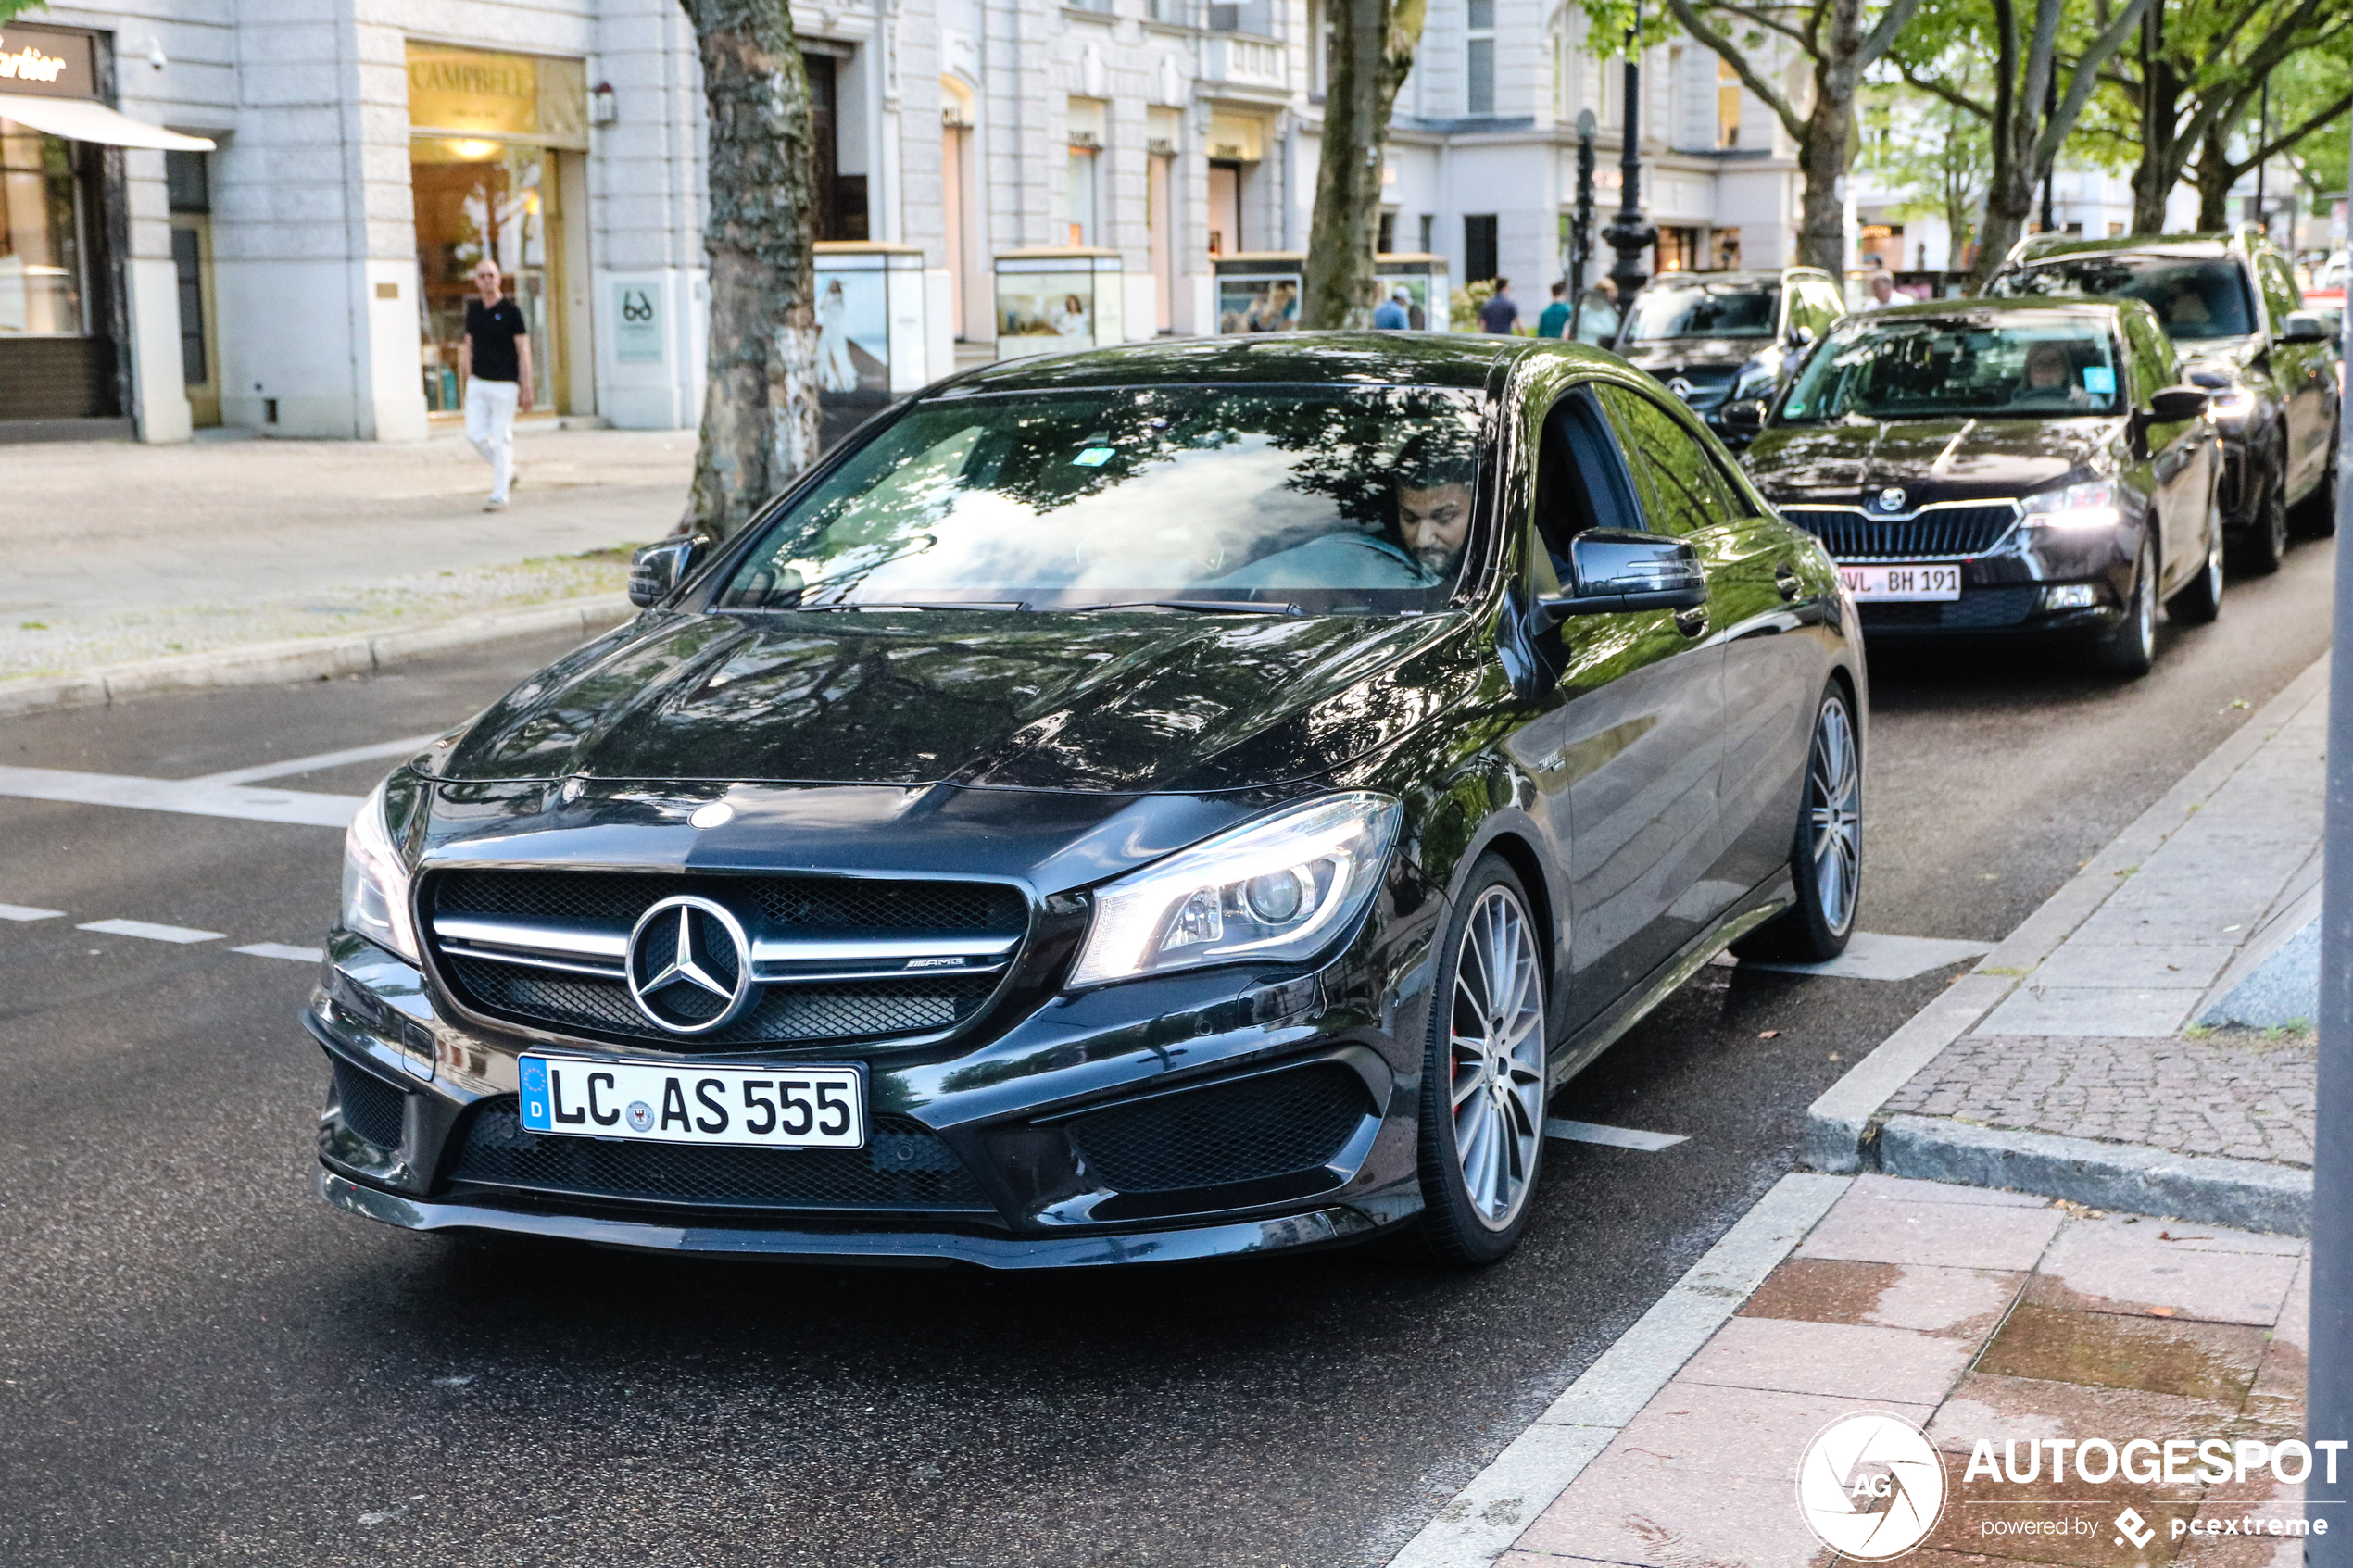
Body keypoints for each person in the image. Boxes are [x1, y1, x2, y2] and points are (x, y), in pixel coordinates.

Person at [460, 258, 532, 513]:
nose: (487, 280)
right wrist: (468, 377)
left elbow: (523, 349)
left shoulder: (512, 311)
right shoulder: (474, 310)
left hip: (505, 384)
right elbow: (468, 345)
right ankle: (508, 471)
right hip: (479, 382)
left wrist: (527, 385)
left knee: (501, 437)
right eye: (482, 276)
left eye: (491, 275)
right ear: (477, 281)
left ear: (499, 278)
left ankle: (499, 494)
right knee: (475, 435)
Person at [2012, 340, 2093, 409]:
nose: (2046, 371)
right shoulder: (2007, 413)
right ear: (2028, 373)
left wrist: (2084, 402)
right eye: (2040, 364)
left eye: (2053, 363)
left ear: (2065, 372)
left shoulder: (2085, 404)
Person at [817, 277, 858, 391]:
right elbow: (821, 307)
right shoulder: (829, 298)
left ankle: (845, 382)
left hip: (835, 331)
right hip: (828, 330)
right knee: (823, 354)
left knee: (839, 355)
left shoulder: (839, 299)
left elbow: (831, 310)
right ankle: (830, 380)